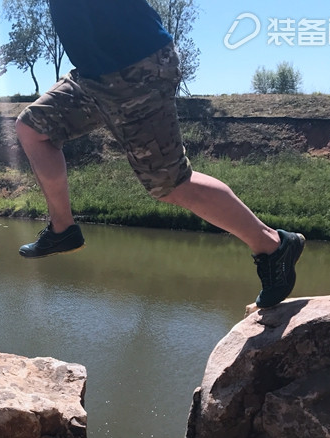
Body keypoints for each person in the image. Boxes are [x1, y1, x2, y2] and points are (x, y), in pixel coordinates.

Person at [16, 0, 305, 309]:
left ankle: (273, 246)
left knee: (171, 183)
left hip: (135, 68)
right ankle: (63, 229)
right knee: (33, 128)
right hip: (93, 75)